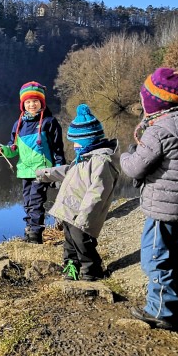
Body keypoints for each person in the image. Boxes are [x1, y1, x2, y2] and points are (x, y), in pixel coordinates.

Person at [120, 68, 178, 331]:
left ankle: (160, 310)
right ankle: (177, 307)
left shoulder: (158, 132)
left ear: (153, 101)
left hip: (161, 207)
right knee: (177, 258)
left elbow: (134, 168)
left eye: (144, 97)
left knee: (156, 257)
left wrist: (126, 154)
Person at [35, 104, 120, 281]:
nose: (74, 146)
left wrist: (84, 216)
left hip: (82, 214)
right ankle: (71, 267)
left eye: (76, 142)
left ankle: (92, 271)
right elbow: (69, 171)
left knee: (83, 243)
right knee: (69, 243)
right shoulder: (83, 158)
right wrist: (45, 174)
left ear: (88, 140)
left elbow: (97, 194)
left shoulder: (101, 162)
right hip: (69, 210)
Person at [0, 81, 65, 243]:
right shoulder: (18, 125)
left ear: (42, 102)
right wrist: (2, 150)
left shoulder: (49, 122)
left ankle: (35, 235)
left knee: (36, 201)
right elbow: (13, 148)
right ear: (23, 104)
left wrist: (59, 169)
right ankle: (29, 229)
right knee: (27, 202)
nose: (32, 105)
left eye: (35, 101)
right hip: (25, 170)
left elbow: (58, 148)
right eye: (28, 102)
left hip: (42, 170)